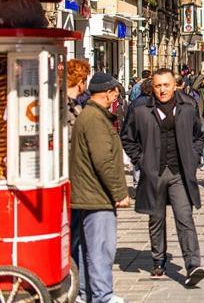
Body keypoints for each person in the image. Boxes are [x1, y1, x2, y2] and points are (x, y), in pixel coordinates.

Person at [120, 68, 204, 287]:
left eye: (166, 85)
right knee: (156, 218)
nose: (162, 90)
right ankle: (158, 259)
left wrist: (194, 157)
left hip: (179, 172)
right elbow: (127, 138)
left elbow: (198, 135)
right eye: (158, 86)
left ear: (174, 85)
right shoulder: (140, 108)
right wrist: (142, 160)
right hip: (154, 173)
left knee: (184, 217)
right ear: (152, 87)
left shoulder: (187, 105)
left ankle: (192, 264)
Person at [70, 72, 130, 303]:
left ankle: (87, 293)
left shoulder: (90, 115)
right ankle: (102, 296)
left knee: (88, 248)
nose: (117, 95)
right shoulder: (95, 119)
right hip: (96, 195)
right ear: (109, 92)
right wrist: (119, 192)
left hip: (88, 193)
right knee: (100, 249)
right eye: (116, 91)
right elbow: (103, 160)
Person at [66, 59, 91, 127]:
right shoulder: (64, 106)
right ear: (80, 83)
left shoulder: (73, 104)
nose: (86, 84)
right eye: (85, 81)